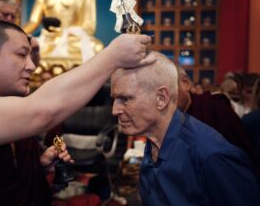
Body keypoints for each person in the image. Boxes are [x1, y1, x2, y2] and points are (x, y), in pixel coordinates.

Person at [0, 20, 154, 205]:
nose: (32, 66)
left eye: (30, 56)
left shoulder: (4, 101)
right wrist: (112, 56)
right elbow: (40, 113)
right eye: (21, 55)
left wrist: (38, 167)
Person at [110, 51, 260, 206]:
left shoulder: (211, 156)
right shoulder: (153, 142)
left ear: (161, 98)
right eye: (114, 99)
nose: (114, 110)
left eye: (125, 99)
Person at [23, 0, 103, 63]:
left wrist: (64, 32)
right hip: (48, 40)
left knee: (96, 47)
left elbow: (89, 27)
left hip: (72, 41)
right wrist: (18, 35)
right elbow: (33, 22)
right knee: (28, 46)